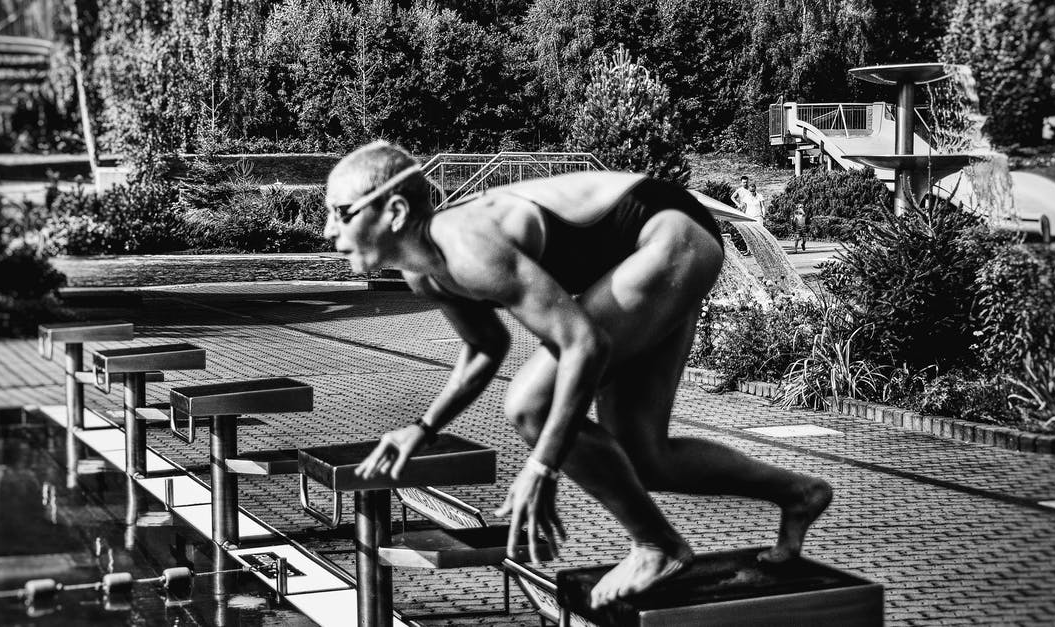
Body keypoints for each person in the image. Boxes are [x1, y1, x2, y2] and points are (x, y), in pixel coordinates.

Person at [329, 141, 832, 609]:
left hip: (668, 231)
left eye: (341, 213)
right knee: (644, 457)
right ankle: (799, 493)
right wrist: (422, 428)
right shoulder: (425, 273)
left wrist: (542, 466)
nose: (330, 231)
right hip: (653, 248)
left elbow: (584, 345)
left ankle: (656, 544)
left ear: (394, 213)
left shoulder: (468, 245)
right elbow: (486, 347)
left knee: (529, 403)